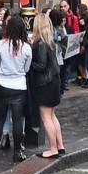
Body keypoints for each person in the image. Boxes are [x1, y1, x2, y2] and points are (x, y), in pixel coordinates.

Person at [0, 15, 32, 163]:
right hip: (19, 87)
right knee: (18, 120)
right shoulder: (26, 47)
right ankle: (17, 151)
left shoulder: (0, 45)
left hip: (1, 85)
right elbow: (27, 69)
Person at [29, 12, 64, 159]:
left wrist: (30, 61)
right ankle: (60, 146)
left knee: (46, 118)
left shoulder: (41, 44)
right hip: (54, 81)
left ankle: (53, 149)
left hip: (45, 84)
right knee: (52, 115)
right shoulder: (50, 42)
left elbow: (41, 66)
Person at [49, 8, 69, 94]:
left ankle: (57, 89)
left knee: (56, 71)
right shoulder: (58, 29)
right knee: (57, 71)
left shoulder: (54, 28)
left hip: (56, 51)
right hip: (57, 51)